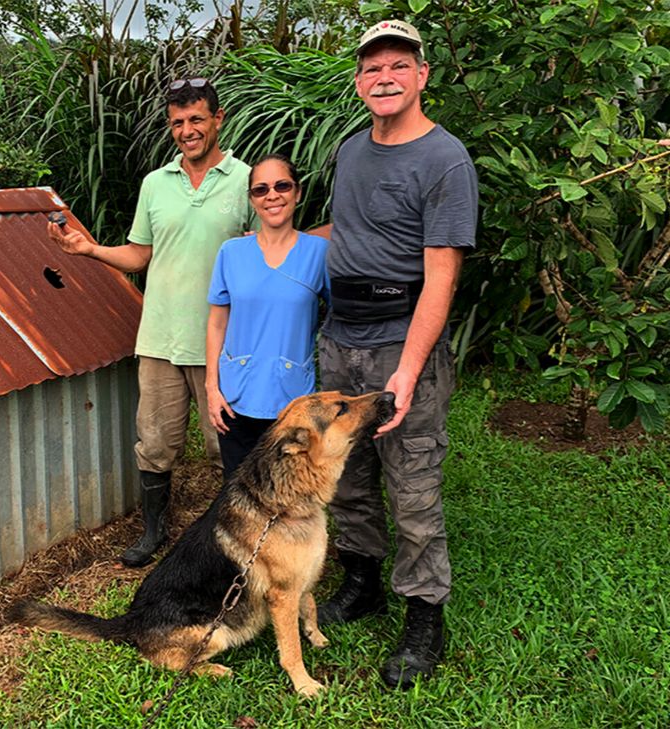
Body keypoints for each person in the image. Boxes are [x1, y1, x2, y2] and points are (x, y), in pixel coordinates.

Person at [315, 19, 478, 690]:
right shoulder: (352, 150)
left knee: (412, 483)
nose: (384, 76)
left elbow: (441, 273)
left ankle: (424, 614)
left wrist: (407, 370)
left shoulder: (446, 161)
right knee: (346, 474)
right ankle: (362, 581)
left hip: (398, 337)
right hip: (339, 336)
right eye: (371, 66)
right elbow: (341, 232)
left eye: (397, 65)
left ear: (421, 75)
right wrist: (265, 245)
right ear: (359, 81)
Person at [48, 78, 256, 568]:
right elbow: (140, 255)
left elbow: (262, 258)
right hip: (161, 338)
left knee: (224, 446)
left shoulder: (247, 179)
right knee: (156, 442)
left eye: (197, 120)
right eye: (178, 123)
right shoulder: (155, 184)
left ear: (217, 119)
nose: (188, 130)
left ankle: (235, 539)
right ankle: (154, 531)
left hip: (223, 345)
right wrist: (89, 249)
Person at [205, 154, 329, 482]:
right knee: (239, 492)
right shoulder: (231, 253)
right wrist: (212, 388)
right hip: (236, 395)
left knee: (288, 492)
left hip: (292, 400)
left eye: (281, 186)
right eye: (260, 190)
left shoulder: (318, 253)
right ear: (252, 200)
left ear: (297, 192)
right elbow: (217, 322)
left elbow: (340, 315)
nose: (271, 195)